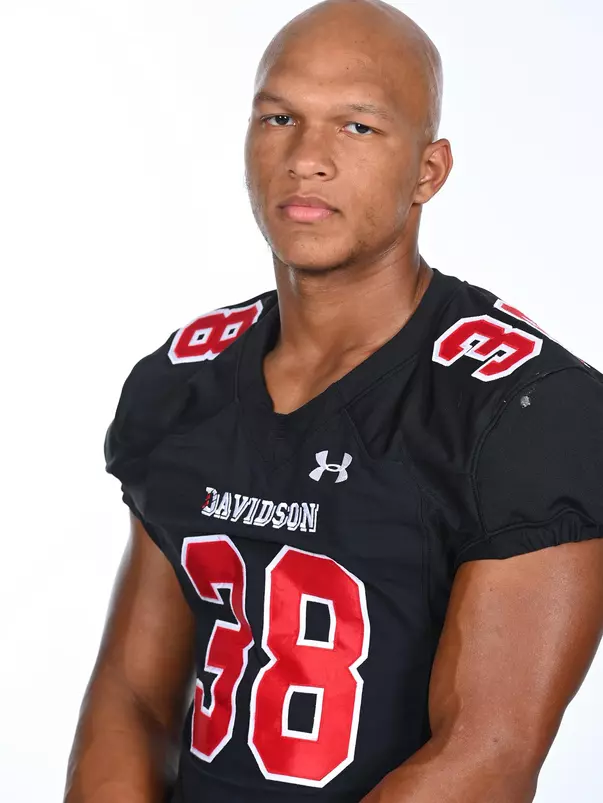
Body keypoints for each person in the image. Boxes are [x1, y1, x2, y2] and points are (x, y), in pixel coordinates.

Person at [64, 1, 603, 801]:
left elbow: (486, 752)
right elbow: (133, 697)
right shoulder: (184, 380)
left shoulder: (527, 409)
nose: (305, 158)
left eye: (356, 127)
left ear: (429, 170)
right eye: (278, 116)